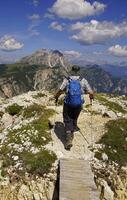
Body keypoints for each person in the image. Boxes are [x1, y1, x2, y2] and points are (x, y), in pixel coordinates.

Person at [54, 65, 94, 150]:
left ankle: (68, 138)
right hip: (78, 104)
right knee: (74, 117)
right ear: (79, 71)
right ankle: (72, 130)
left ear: (72, 70)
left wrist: (56, 97)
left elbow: (60, 90)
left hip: (68, 103)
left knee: (67, 118)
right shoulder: (83, 80)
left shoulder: (67, 79)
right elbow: (91, 92)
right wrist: (91, 98)